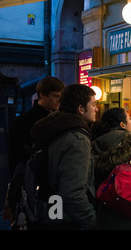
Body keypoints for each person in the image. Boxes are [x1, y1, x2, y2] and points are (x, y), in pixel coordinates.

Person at [30, 83, 98, 230]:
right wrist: (92, 222)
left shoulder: (56, 127)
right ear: (80, 109)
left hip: (49, 211)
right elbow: (73, 193)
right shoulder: (77, 139)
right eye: (93, 104)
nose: (96, 109)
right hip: (66, 219)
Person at [9, 76, 65, 176]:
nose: (59, 101)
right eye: (56, 96)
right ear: (42, 95)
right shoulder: (24, 121)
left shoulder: (59, 118)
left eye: (60, 97)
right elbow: (15, 155)